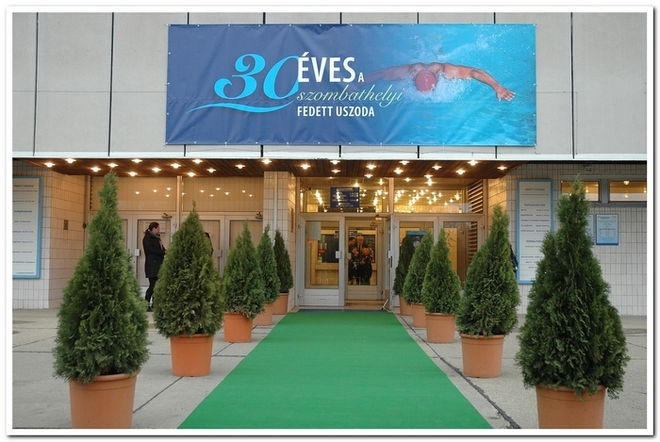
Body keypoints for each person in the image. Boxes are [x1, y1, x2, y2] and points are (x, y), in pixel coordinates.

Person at [359, 61, 515, 101]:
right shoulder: (407, 72)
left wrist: (497, 87)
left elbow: (475, 72)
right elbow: (379, 73)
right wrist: (355, 84)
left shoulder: (446, 71)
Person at [143, 222, 166, 312]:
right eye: (158, 228)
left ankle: (155, 304)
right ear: (154, 228)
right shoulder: (148, 238)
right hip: (152, 265)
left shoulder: (157, 238)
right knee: (153, 285)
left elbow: (161, 248)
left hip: (158, 265)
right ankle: (146, 304)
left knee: (157, 286)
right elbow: (151, 250)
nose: (159, 230)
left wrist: (165, 251)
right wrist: (162, 252)